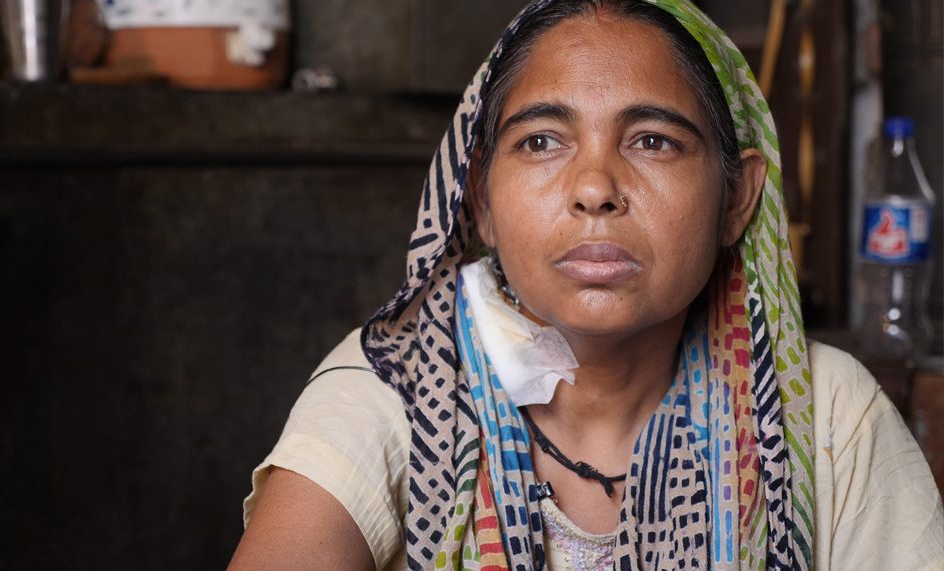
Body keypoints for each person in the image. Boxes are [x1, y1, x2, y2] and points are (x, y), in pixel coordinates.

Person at [227, 0, 944, 569]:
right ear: (479, 198)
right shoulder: (394, 387)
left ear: (736, 199)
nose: (595, 188)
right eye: (541, 141)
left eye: (652, 140)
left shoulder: (823, 415)